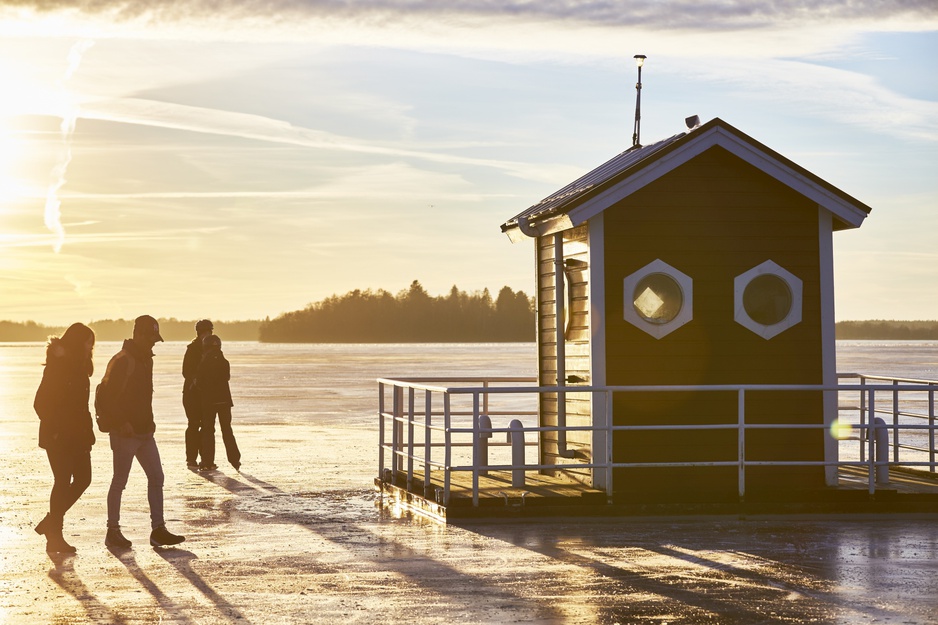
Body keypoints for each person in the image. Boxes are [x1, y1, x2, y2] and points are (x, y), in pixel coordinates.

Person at [102, 315, 185, 549]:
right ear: (138, 334)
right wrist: (122, 422)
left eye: (155, 340)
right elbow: (106, 397)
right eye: (151, 338)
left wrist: (149, 422)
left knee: (157, 477)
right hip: (125, 433)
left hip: (145, 432)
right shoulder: (121, 360)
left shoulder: (146, 359)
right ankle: (113, 531)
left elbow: (143, 396)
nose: (153, 343)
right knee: (120, 481)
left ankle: (158, 530)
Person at [33, 323, 96, 553]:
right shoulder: (57, 367)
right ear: (77, 342)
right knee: (62, 481)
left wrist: (87, 432)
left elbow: (81, 406)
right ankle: (54, 536)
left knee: (83, 479)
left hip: (78, 435)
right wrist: (56, 429)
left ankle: (51, 523)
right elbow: (40, 403)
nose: (91, 347)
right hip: (58, 437)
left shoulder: (80, 366)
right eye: (88, 342)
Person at [196, 334, 241, 471]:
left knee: (208, 430)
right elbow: (226, 377)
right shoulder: (224, 361)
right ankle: (235, 459)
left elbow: (200, 382)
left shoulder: (204, 362)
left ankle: (207, 461)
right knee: (227, 430)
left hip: (209, 402)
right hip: (224, 401)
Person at [182, 319, 213, 468]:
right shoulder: (192, 349)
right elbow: (186, 371)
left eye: (209, 332)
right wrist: (196, 379)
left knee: (206, 426)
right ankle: (191, 458)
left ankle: (205, 459)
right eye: (205, 332)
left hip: (206, 395)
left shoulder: (213, 349)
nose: (207, 335)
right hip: (192, 394)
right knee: (194, 425)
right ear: (199, 333)